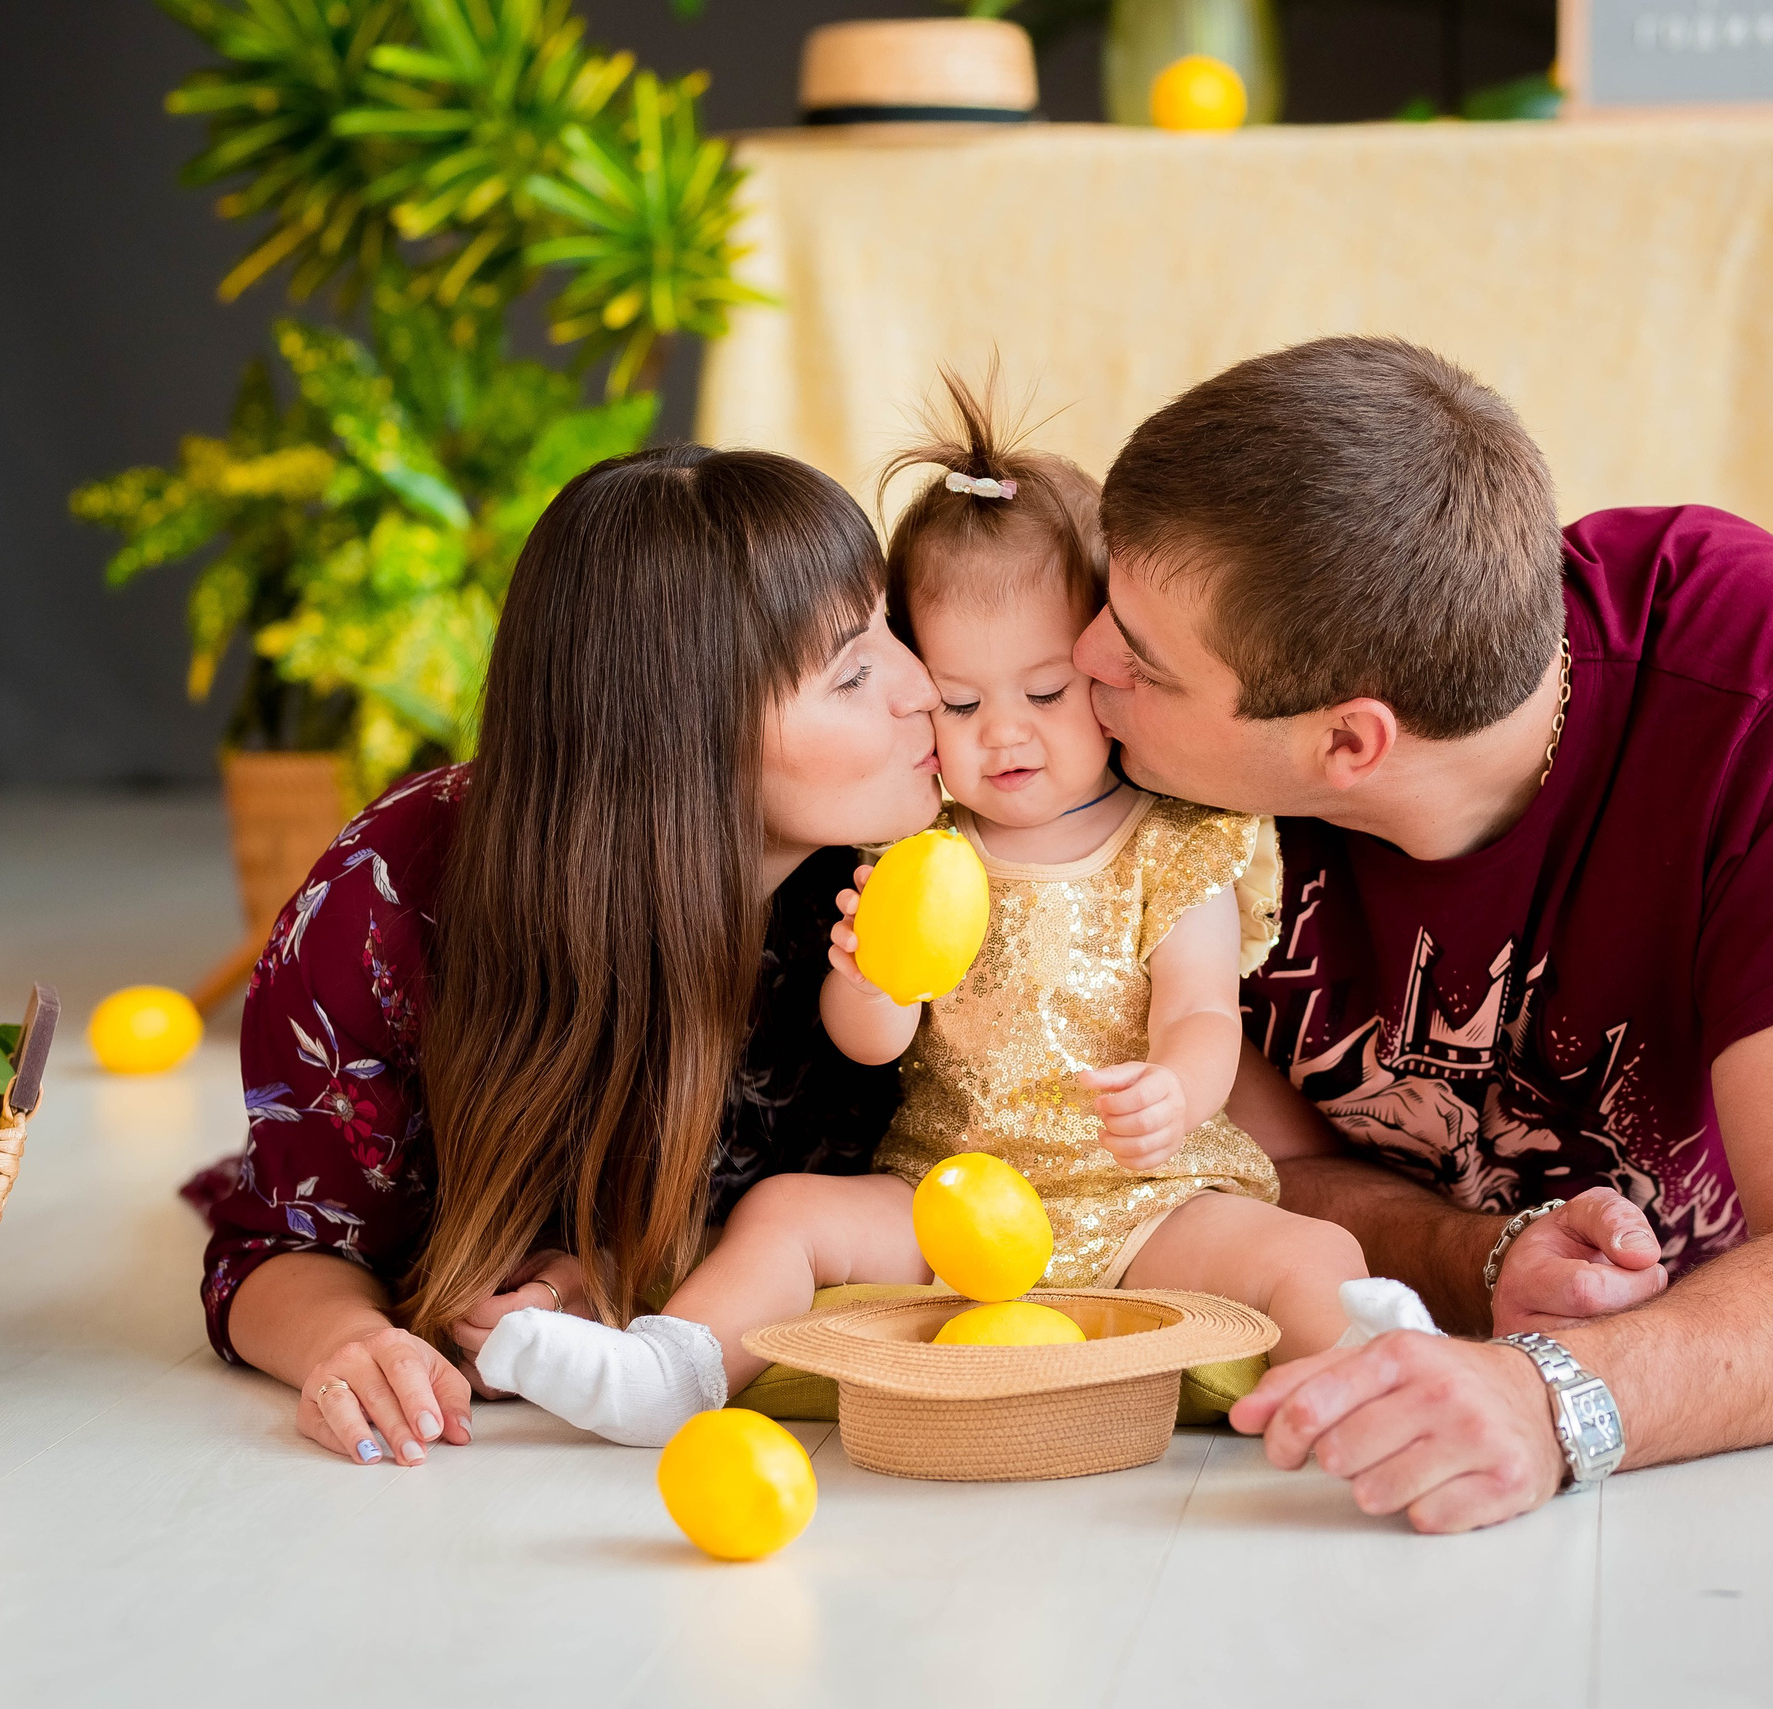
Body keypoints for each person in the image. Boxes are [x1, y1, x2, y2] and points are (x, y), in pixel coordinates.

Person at [1071, 336, 1773, 1533]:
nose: (1080, 656)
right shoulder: (1130, 747)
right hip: (1462, 1185)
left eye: (1138, 660)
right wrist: (1486, 1258)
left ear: (1350, 743)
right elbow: (1258, 1174)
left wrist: (1546, 1400)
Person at [477, 377, 1371, 1445]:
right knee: (786, 1214)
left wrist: (1176, 1091)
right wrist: (870, 981)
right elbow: (872, 1044)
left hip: (1141, 1196)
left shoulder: (1171, 842)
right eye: (958, 700)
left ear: (1106, 663)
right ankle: (669, 1369)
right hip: (946, 1193)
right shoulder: (917, 842)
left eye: (1044, 694)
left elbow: (1200, 1008)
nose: (1004, 735)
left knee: (1306, 1253)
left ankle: (1369, 1364)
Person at [186, 445, 946, 1467]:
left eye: (894, 627)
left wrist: (630, 1268)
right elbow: (276, 1240)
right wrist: (345, 1336)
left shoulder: (918, 863)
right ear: (685, 736)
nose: (923, 686)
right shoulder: (383, 906)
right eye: (853, 671)